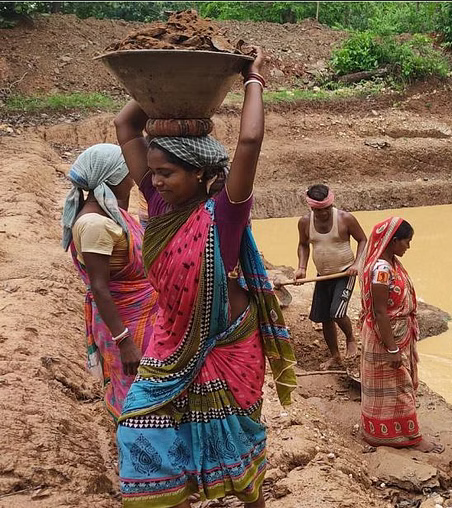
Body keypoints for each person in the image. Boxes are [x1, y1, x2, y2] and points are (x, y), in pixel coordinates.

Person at [113, 48, 298, 508]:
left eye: (167, 173)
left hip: (226, 346)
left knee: (235, 449)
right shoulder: (160, 208)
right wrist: (160, 88)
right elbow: (125, 126)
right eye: (152, 172)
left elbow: (249, 143)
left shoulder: (224, 215)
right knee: (137, 428)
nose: (154, 181)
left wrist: (250, 78)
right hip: (172, 341)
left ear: (201, 174)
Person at [61, 143, 158, 419]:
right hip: (126, 326)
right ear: (115, 177)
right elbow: (100, 287)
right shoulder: (95, 225)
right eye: (127, 171)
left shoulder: (110, 214)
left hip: (141, 320)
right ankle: (137, 453)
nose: (133, 177)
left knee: (150, 389)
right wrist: (124, 342)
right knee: (138, 397)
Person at [359, 217, 443, 453]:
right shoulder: (382, 271)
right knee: (399, 385)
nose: (408, 247)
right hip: (387, 337)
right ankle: (411, 437)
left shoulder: (392, 263)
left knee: (392, 385)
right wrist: (392, 348)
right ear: (394, 241)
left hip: (396, 333)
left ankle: (382, 432)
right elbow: (379, 311)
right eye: (407, 241)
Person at [295, 184, 368, 369]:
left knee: (337, 312)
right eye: (318, 210)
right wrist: (301, 267)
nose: (323, 213)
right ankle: (335, 356)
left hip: (345, 272)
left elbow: (363, 240)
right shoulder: (305, 222)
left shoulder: (345, 219)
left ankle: (351, 339)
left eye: (326, 209)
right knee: (324, 317)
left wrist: (357, 263)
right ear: (311, 208)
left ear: (331, 204)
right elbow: (303, 244)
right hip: (323, 275)